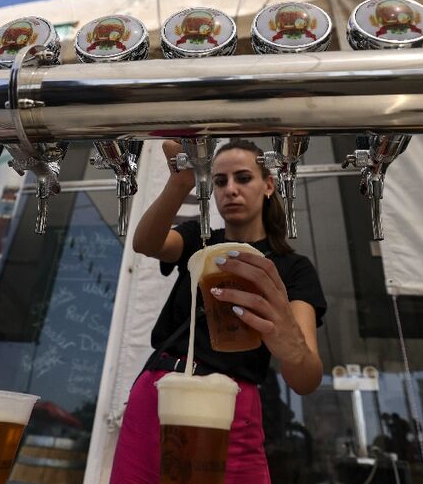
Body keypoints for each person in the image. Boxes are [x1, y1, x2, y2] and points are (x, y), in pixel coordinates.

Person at [109, 139, 327, 484]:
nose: (231, 190)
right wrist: (180, 183)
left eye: (243, 178)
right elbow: (146, 244)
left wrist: (292, 346)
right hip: (160, 390)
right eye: (221, 181)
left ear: (269, 184)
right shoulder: (201, 236)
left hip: (228, 403)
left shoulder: (291, 268)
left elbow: (306, 378)